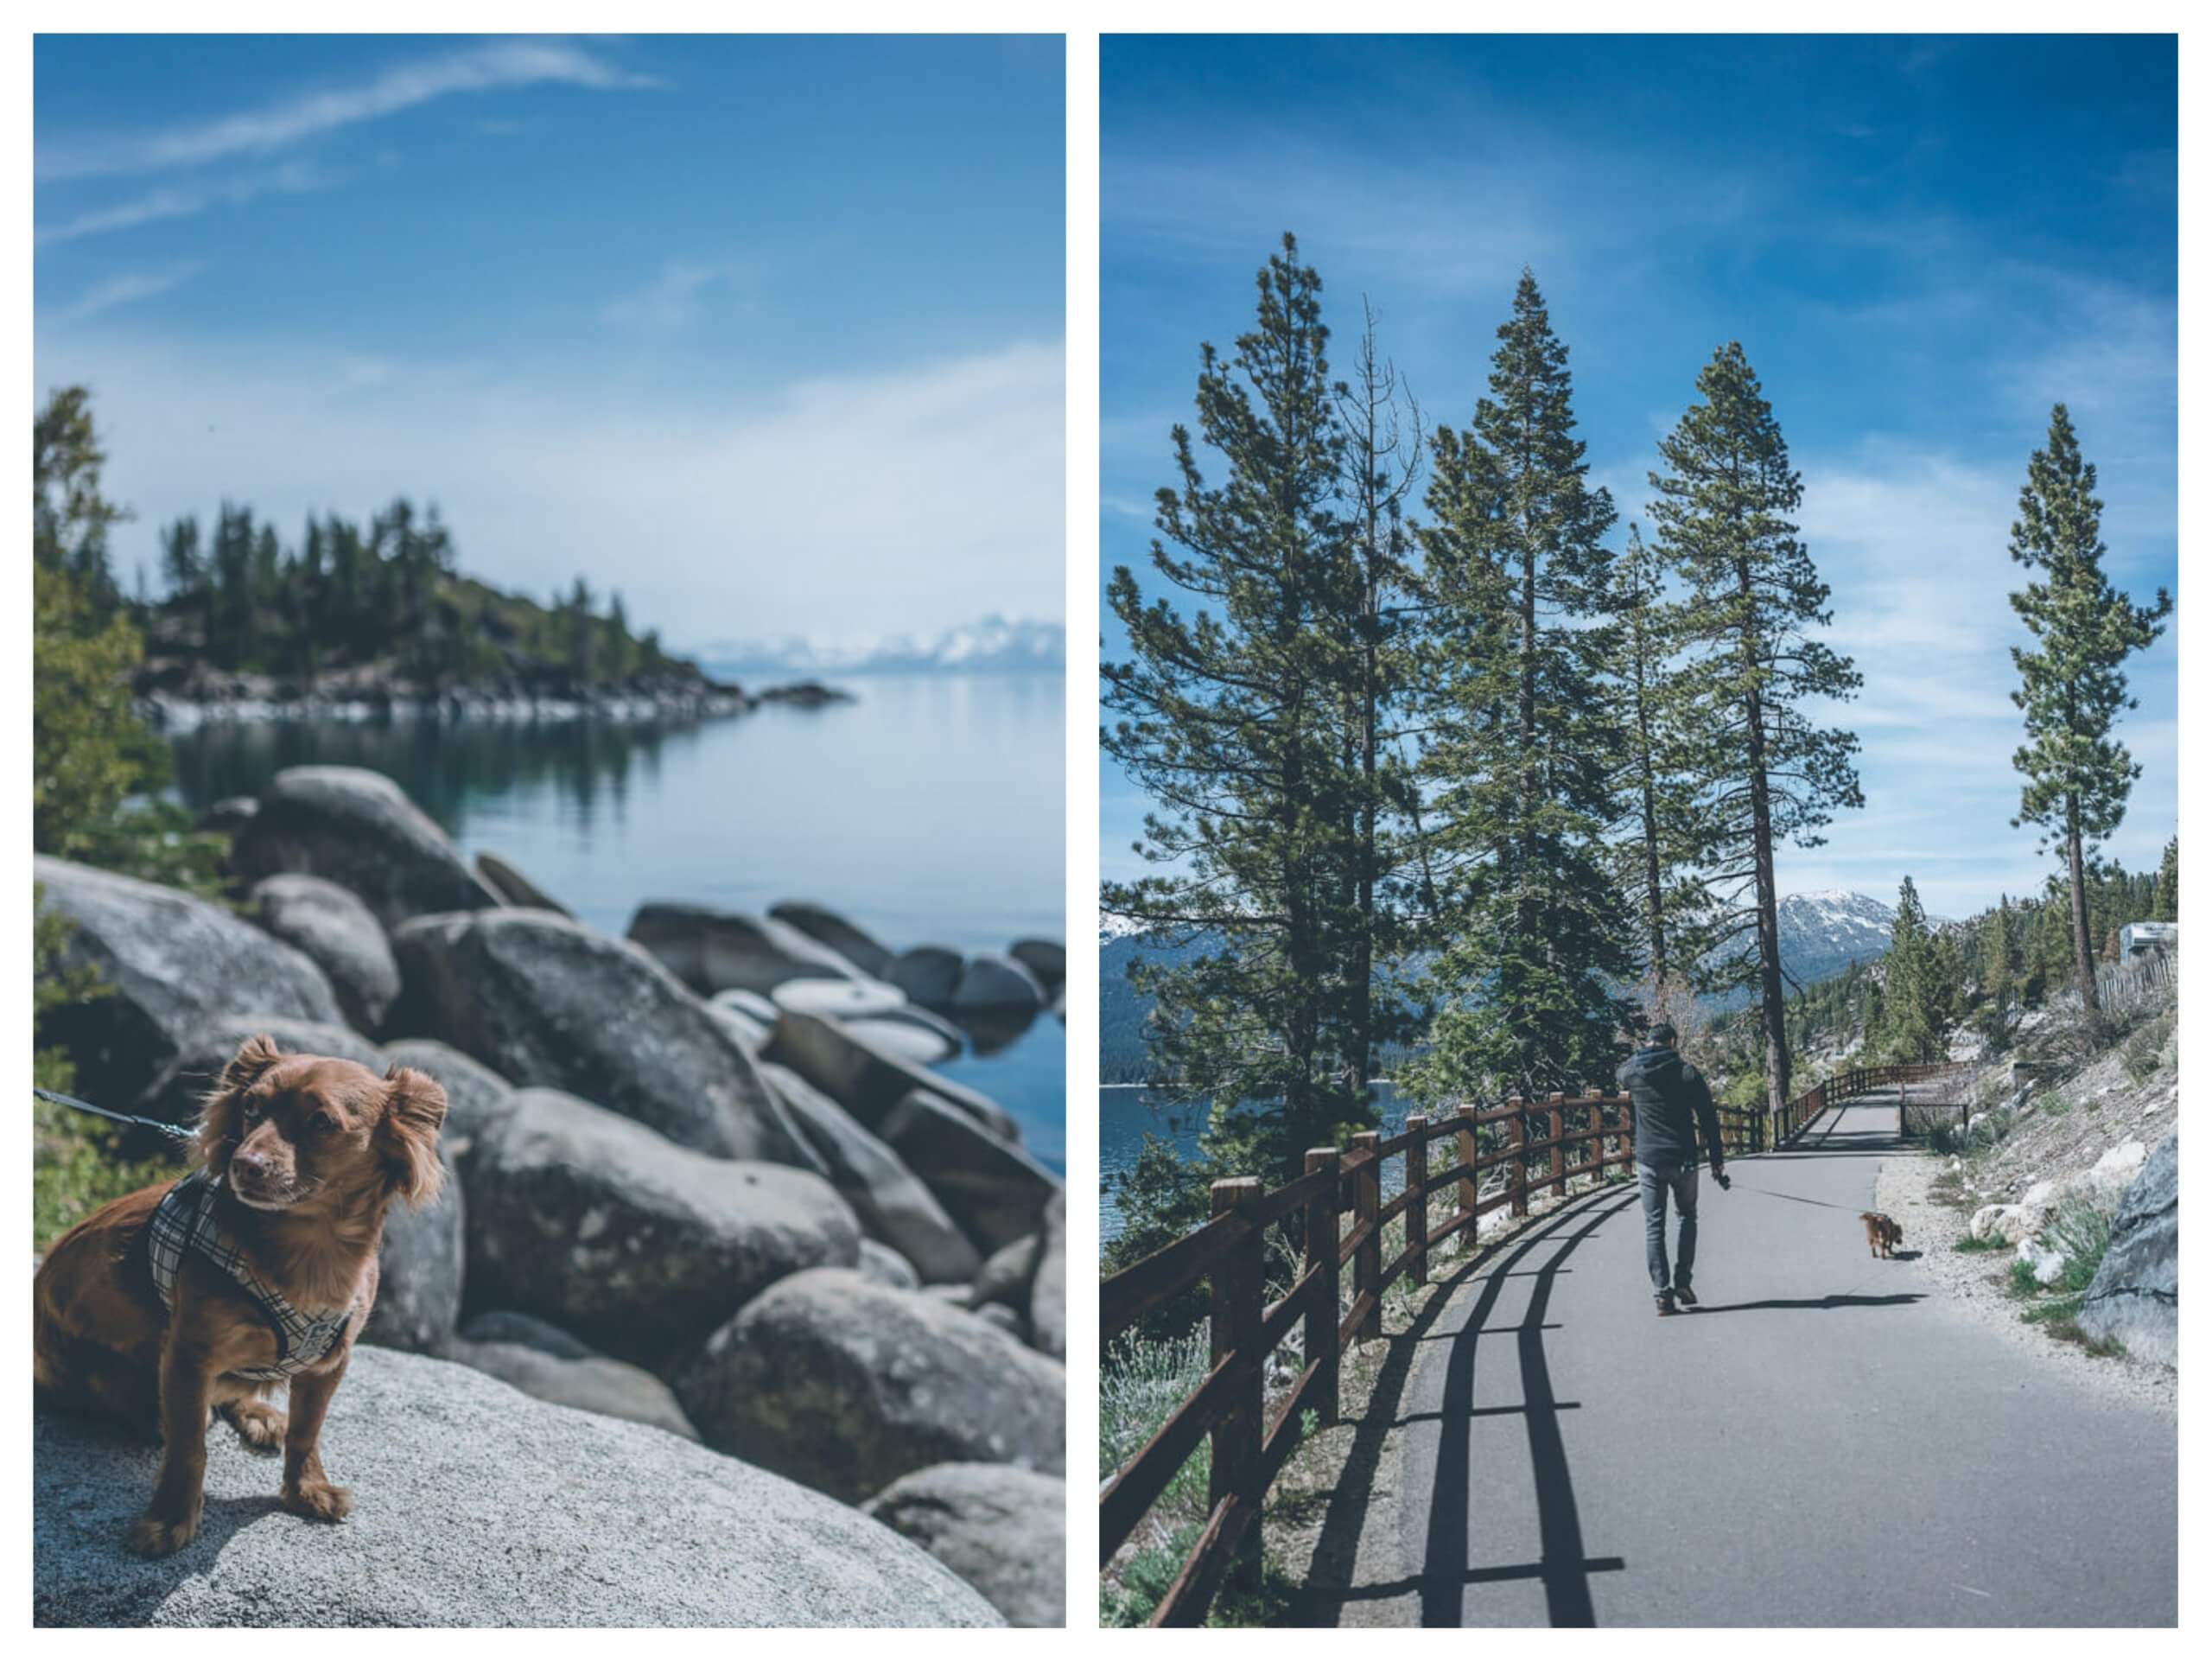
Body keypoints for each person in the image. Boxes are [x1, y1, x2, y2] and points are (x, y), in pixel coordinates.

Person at [1617, 1022, 1728, 1315]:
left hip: (1649, 1160)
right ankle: (1682, 1281)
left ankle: (1661, 1294)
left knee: (1654, 1226)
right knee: (1687, 1217)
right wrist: (1716, 1160)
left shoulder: (1634, 1073)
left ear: (1651, 1042)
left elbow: (1619, 1074)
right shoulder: (1686, 1073)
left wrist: (1641, 1054)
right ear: (1673, 1042)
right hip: (1684, 1159)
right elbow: (1708, 1119)